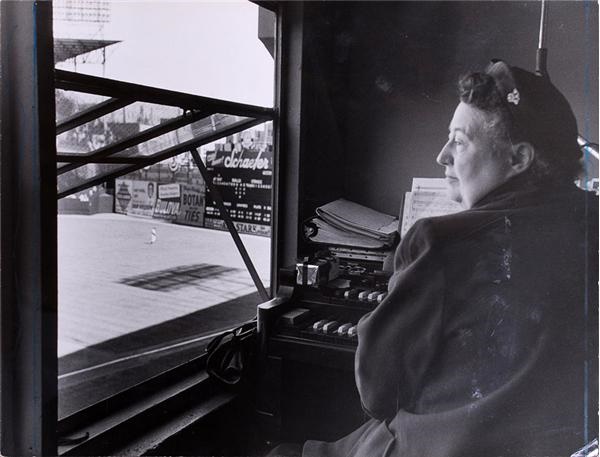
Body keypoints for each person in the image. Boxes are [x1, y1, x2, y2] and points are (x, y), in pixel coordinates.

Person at [300, 60, 598, 456]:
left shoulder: (438, 242)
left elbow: (376, 394)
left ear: (518, 158)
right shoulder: (592, 223)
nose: (442, 156)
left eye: (459, 141)